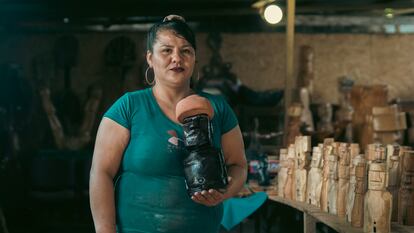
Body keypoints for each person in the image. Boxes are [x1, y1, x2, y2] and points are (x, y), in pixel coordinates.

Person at [89, 15, 247, 233]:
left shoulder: (218, 108)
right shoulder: (128, 107)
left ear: (194, 59)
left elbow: (238, 165)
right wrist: (105, 230)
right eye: (166, 50)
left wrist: (225, 192)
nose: (177, 58)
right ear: (150, 58)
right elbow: (101, 172)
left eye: (186, 51)